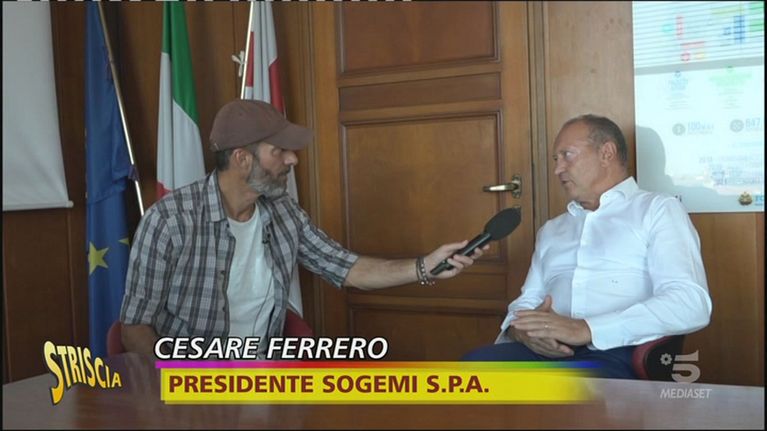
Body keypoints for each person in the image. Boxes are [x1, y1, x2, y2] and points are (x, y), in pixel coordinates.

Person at [120, 99, 485, 356]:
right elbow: (134, 327)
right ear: (242, 159)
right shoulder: (170, 221)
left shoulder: (282, 211)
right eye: (279, 151)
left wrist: (425, 266)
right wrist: (178, 388)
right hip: (190, 388)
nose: (293, 158)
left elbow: (346, 268)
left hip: (264, 379)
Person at [462, 114, 712, 378]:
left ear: (606, 153)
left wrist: (587, 329)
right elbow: (528, 300)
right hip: (548, 350)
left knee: (565, 391)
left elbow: (690, 303)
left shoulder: (657, 210)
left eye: (567, 155)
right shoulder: (552, 229)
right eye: (556, 159)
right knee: (469, 373)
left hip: (616, 350)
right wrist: (522, 332)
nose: (558, 169)